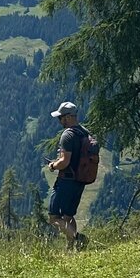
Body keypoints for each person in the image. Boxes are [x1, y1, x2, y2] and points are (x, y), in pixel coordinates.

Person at [46, 101, 91, 250]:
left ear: (68, 117)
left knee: (54, 218)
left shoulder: (68, 135)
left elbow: (65, 162)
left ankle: (79, 239)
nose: (60, 121)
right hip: (80, 180)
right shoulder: (84, 132)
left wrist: (53, 165)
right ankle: (70, 248)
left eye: (61, 118)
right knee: (68, 215)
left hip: (66, 181)